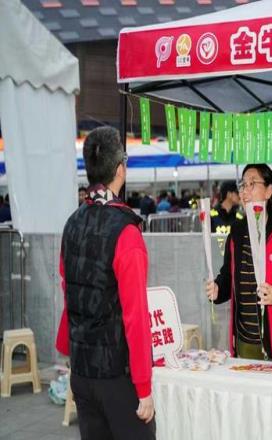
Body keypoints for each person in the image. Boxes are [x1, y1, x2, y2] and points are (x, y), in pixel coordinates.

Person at [55, 127, 155, 439]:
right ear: (120, 169)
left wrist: (67, 347)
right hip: (116, 376)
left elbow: (68, 291)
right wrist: (144, 386)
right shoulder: (126, 232)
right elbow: (135, 316)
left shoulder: (72, 223)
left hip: (82, 370)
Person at [205, 164, 272, 362]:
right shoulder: (236, 232)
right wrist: (218, 289)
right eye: (243, 185)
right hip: (246, 342)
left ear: (268, 191)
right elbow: (228, 276)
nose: (245, 191)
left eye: (252, 184)